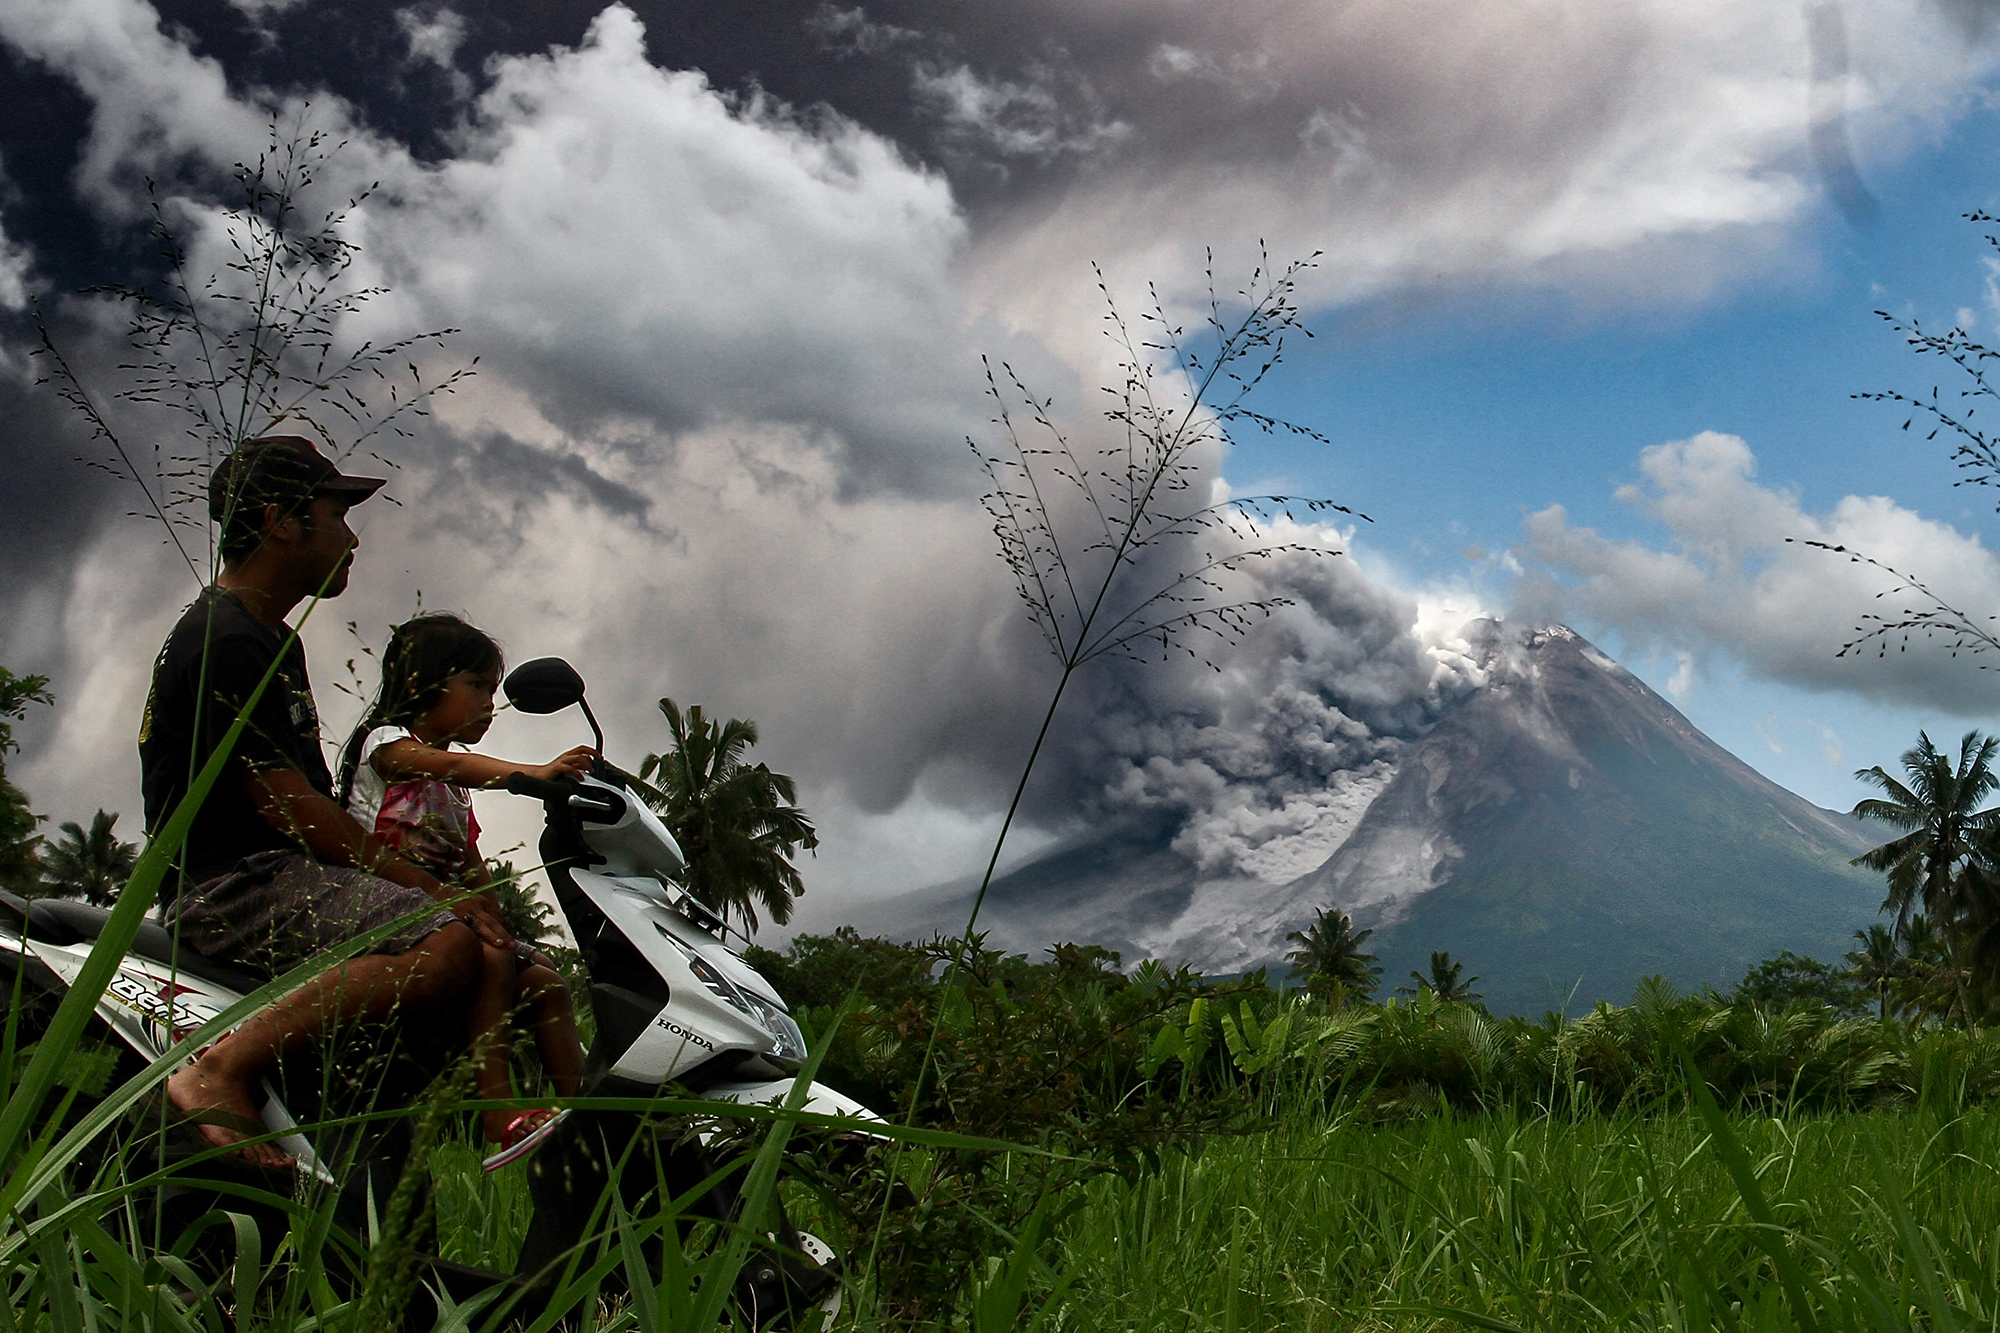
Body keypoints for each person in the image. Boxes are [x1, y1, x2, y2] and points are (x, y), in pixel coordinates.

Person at [140, 436, 504, 1168]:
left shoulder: (268, 637)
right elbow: (292, 807)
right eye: (336, 514)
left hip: (276, 878)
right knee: (448, 939)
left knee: (503, 965)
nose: (353, 535)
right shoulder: (225, 637)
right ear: (280, 521)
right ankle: (220, 1066)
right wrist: (435, 891)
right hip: (234, 887)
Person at [337, 613, 592, 1145]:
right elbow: (441, 765)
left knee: (546, 982)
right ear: (420, 683)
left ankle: (592, 1123)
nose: (488, 704)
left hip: (443, 915)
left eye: (492, 690)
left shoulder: (453, 786)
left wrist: (499, 921)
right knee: (492, 954)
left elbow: (471, 863)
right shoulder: (386, 745)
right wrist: (530, 774)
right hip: (375, 906)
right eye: (476, 685)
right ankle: (496, 1110)